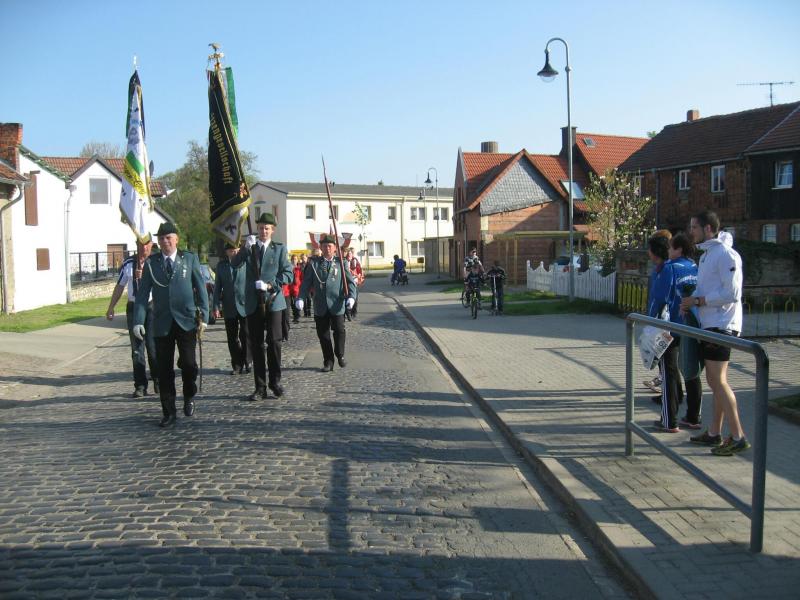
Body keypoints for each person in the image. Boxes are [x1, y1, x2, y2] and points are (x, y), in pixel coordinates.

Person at [680, 210, 748, 456]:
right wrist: (691, 301)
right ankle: (714, 432)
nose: (691, 232)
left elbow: (732, 293)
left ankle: (738, 436)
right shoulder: (708, 254)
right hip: (710, 323)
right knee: (715, 380)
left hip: (722, 324)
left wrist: (699, 301)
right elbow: (706, 287)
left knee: (718, 380)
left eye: (694, 227)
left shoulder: (726, 254)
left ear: (708, 228)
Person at [133, 222, 208, 428]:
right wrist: (138, 321)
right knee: (163, 369)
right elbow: (142, 295)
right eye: (161, 239)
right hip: (162, 322)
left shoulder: (189, 259)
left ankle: (189, 394)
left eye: (169, 238)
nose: (165, 242)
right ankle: (168, 411)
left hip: (186, 320)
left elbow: (200, 288)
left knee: (189, 364)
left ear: (176, 239)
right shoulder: (152, 263)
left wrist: (204, 316)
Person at [232, 212, 293, 401]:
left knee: (274, 342)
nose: (263, 231)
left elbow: (288, 274)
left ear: (272, 230)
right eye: (260, 228)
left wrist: (270, 285)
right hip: (253, 302)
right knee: (256, 345)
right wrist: (244, 249)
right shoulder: (250, 248)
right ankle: (260, 387)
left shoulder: (279, 249)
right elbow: (234, 263)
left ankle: (275, 382)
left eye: (267, 228)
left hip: (273, 301)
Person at [646, 233, 699, 433]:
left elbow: (659, 298)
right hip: (691, 324)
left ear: (678, 249)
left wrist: (649, 322)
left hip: (670, 326)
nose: (668, 251)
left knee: (668, 372)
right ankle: (693, 416)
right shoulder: (693, 266)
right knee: (692, 370)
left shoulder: (669, 268)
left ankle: (669, 421)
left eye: (671, 247)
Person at [106, 239, 159, 397]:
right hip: (134, 307)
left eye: (147, 244)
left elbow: (163, 285)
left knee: (153, 347)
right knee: (137, 350)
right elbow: (120, 286)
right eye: (141, 245)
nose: (144, 248)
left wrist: (146, 277)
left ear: (151, 245)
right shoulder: (129, 263)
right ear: (137, 245)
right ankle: (140, 385)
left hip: (151, 306)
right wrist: (111, 307)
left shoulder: (156, 262)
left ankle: (158, 379)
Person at [297, 234, 357, 372]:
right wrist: (300, 297)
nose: (327, 248)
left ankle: (340, 354)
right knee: (323, 335)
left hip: (337, 304)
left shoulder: (341, 262)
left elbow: (350, 282)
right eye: (324, 246)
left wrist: (352, 297)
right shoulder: (314, 264)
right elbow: (306, 283)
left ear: (335, 248)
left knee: (339, 330)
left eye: (330, 246)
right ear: (321, 247)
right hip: (320, 305)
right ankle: (328, 361)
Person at [212, 242, 251, 375]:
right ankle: (237, 364)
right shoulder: (222, 266)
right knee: (232, 337)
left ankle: (248, 361)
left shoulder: (245, 263)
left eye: (236, 250)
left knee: (246, 335)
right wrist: (215, 305)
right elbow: (217, 287)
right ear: (227, 252)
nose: (234, 252)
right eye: (231, 250)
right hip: (229, 305)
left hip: (245, 304)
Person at [345, 248, 364, 317]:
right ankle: (347, 311)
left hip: (354, 281)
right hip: (346, 282)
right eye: (348, 254)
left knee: (355, 297)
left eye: (350, 254)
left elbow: (359, 270)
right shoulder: (344, 261)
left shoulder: (354, 260)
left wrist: (359, 276)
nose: (349, 255)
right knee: (346, 297)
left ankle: (354, 311)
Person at [289, 254, 303, 324]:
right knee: (291, 304)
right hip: (289, 288)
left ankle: (297, 317)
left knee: (296, 303)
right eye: (293, 259)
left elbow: (302, 278)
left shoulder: (299, 269)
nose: (294, 260)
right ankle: (295, 316)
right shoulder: (289, 268)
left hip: (297, 288)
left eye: (295, 259)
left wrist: (301, 286)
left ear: (297, 260)